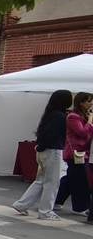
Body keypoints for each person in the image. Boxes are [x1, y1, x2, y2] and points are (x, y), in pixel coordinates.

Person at [12, 90, 73, 220]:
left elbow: (44, 133)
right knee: (52, 182)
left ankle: (22, 204)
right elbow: (52, 135)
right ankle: (45, 211)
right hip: (53, 150)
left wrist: (40, 147)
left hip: (45, 150)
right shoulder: (59, 116)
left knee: (41, 180)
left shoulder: (51, 114)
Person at [55, 91, 92, 215]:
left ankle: (56, 200)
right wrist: (90, 121)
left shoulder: (85, 116)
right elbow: (82, 132)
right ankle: (80, 207)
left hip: (85, 152)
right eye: (89, 101)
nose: (91, 103)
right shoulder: (73, 117)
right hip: (76, 153)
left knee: (70, 178)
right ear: (81, 103)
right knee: (80, 180)